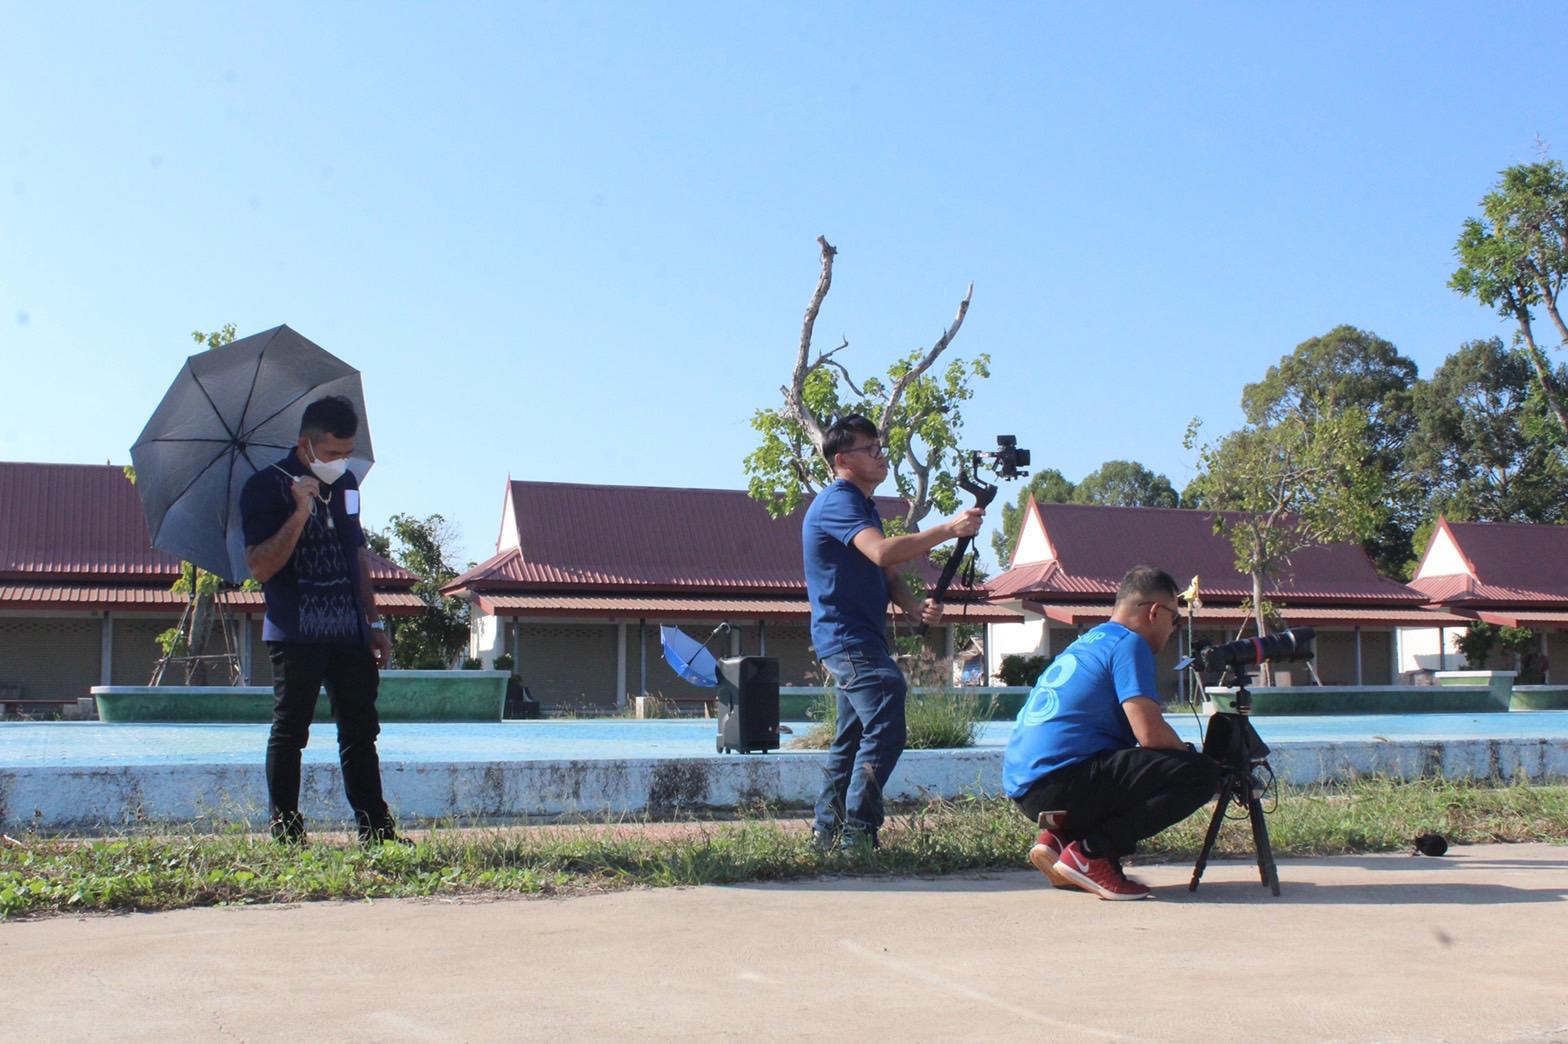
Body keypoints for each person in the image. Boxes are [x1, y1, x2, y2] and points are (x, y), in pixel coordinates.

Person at [803, 414, 985, 849]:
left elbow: (885, 569)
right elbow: (883, 550)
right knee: (886, 706)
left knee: (851, 738)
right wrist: (949, 529)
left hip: (860, 637)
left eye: (879, 447)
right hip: (846, 638)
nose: (880, 455)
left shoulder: (863, 505)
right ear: (842, 459)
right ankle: (858, 835)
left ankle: (826, 833)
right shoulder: (838, 500)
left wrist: (914, 607)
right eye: (871, 449)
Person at [240, 395, 405, 846]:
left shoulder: (348, 483)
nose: (340, 460)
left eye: (347, 451)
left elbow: (356, 554)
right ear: (305, 444)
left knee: (360, 731)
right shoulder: (263, 487)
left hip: (349, 631)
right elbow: (259, 567)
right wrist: (298, 513)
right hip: (296, 632)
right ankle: (287, 831)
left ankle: (377, 831)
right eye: (331, 453)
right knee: (291, 730)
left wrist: (373, 622)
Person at [1002, 565, 1218, 899]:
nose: (1173, 630)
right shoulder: (1130, 645)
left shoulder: (1089, 641)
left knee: (1131, 766)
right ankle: (1092, 854)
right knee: (1199, 774)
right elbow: (1150, 734)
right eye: (1174, 620)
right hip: (1060, 781)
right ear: (1155, 612)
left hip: (1028, 786)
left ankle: (1059, 841)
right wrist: (1191, 754)